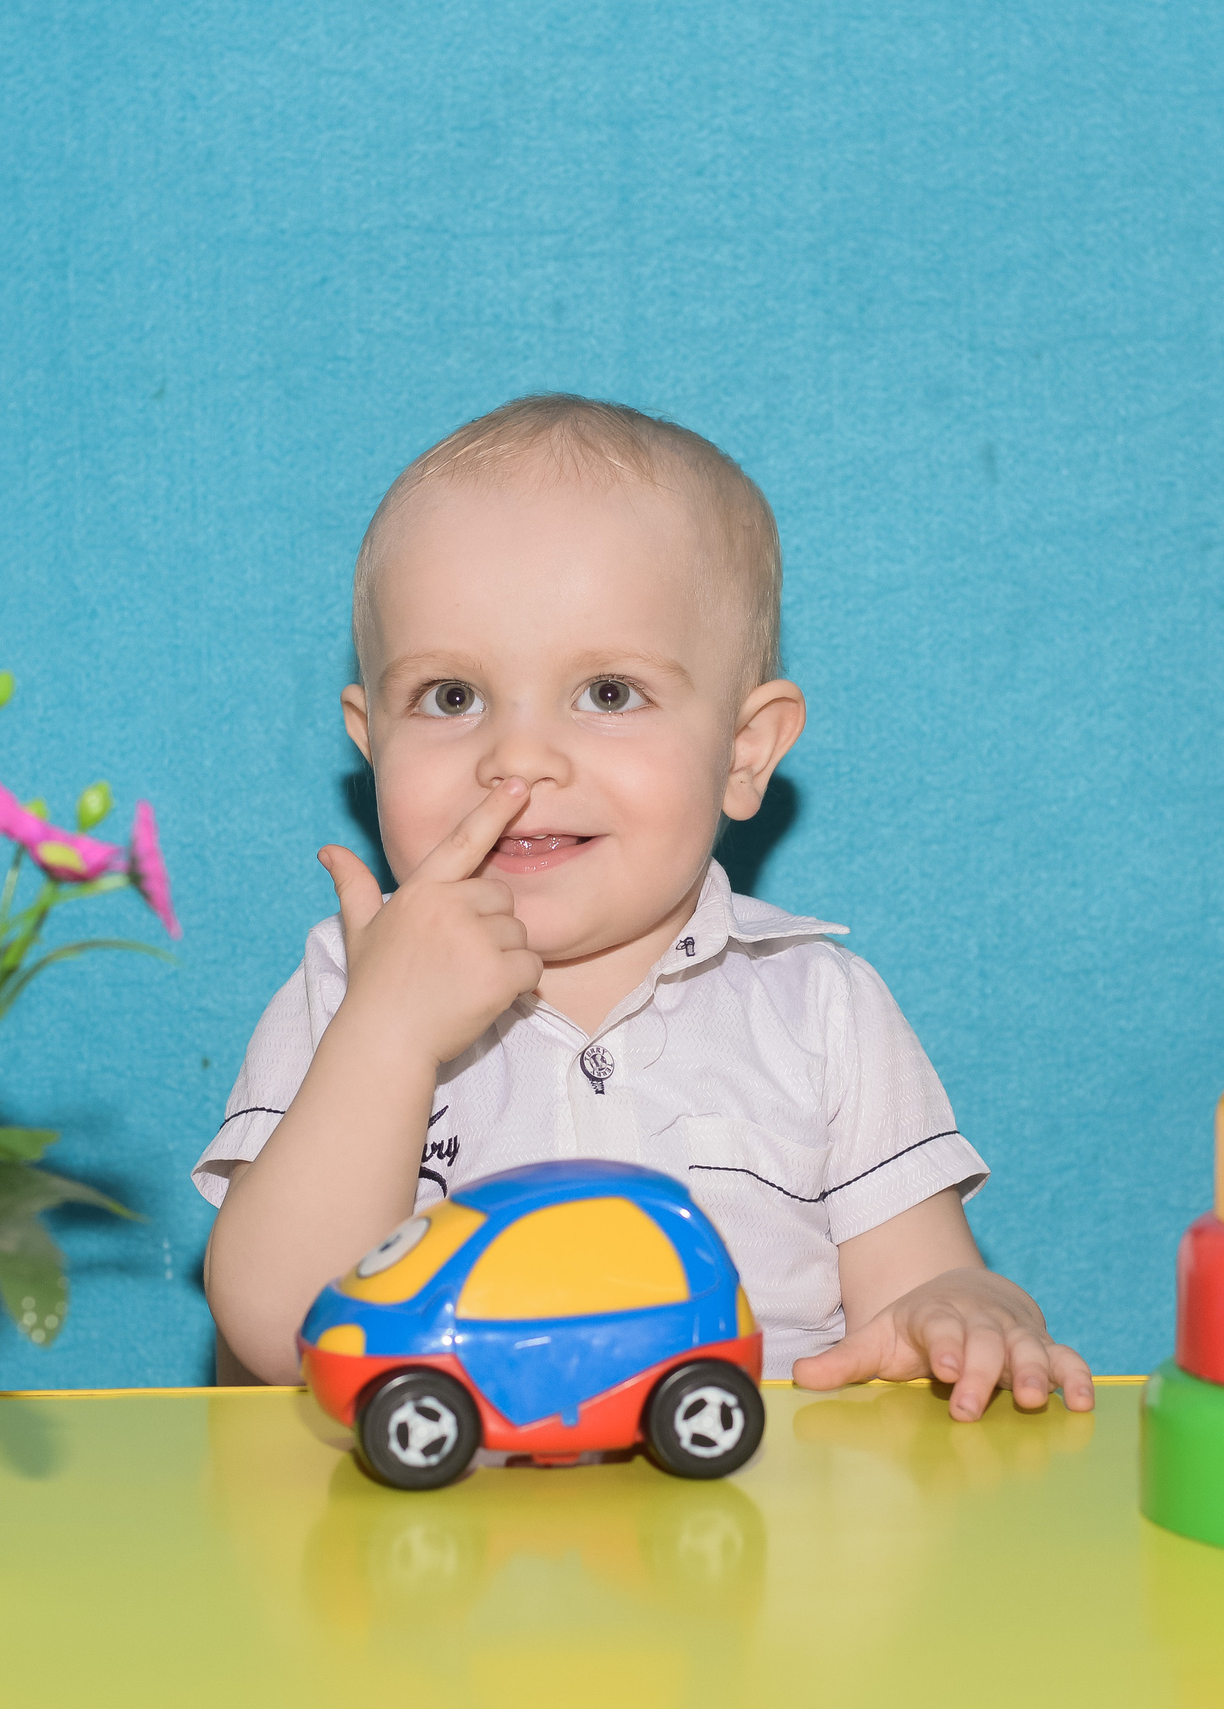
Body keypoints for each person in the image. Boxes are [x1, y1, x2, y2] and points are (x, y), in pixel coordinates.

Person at [196, 394, 1093, 1422]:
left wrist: (965, 1309)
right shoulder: (346, 987)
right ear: (371, 738)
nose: (518, 756)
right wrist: (388, 1031)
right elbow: (274, 1337)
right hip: (430, 1547)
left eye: (608, 693)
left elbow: (919, 1289)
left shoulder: (817, 1007)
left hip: (752, 1543)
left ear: (744, 751)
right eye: (451, 697)